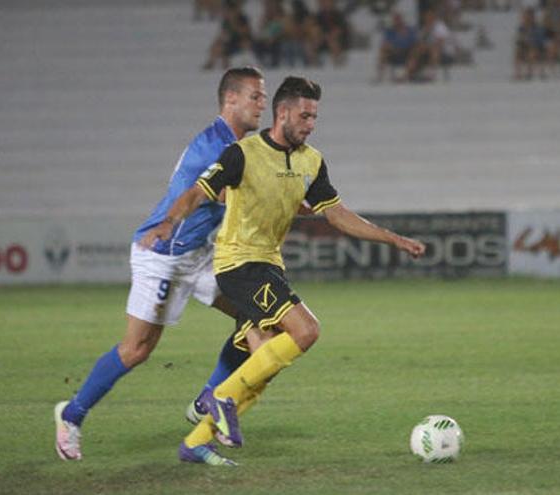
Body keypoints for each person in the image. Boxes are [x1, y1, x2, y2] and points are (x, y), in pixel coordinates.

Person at [140, 76, 426, 466]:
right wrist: (168, 222)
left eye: (315, 117)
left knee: (267, 364)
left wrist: (394, 239)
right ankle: (221, 397)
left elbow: (338, 216)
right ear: (283, 113)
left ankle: (196, 442)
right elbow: (196, 192)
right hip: (238, 263)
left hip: (270, 265)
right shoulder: (242, 153)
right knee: (307, 330)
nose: (310, 123)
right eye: (305, 116)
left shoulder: (312, 161)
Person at [53, 66, 268, 462]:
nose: (262, 103)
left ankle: (210, 400)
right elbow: (221, 198)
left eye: (263, 96)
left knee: (257, 317)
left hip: (200, 256)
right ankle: (71, 414)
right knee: (136, 350)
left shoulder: (234, 146)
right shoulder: (214, 146)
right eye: (255, 96)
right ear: (231, 100)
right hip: (165, 255)